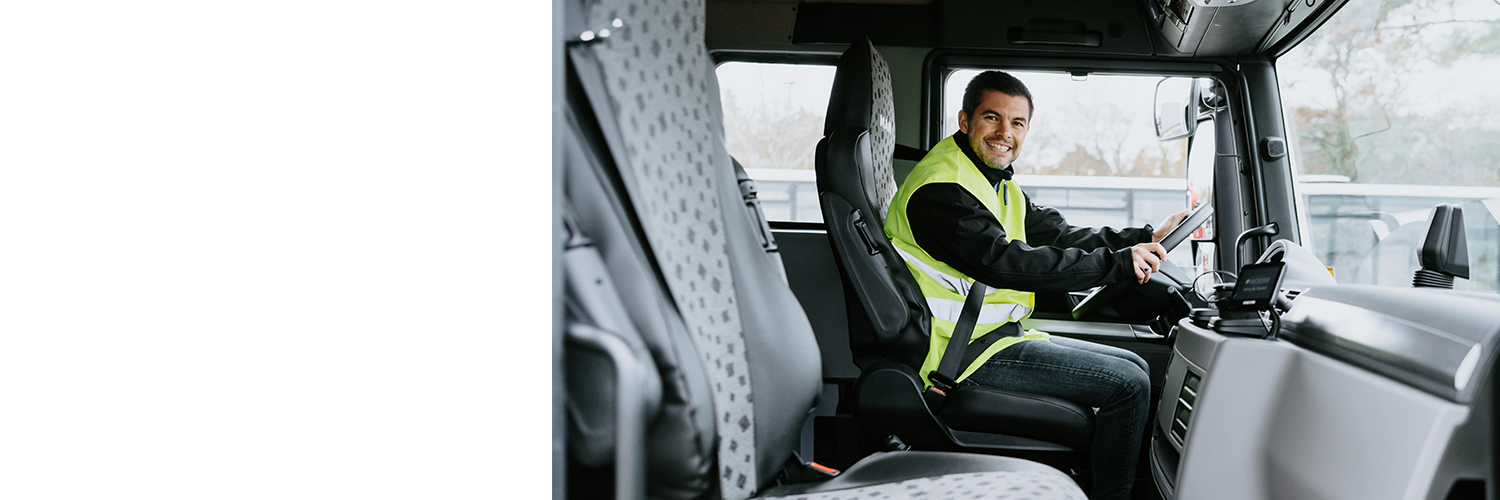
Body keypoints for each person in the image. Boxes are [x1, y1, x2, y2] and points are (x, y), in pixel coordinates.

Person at [883, 70, 1190, 500]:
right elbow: (1005, 264)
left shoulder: (992, 180)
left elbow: (1058, 234)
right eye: (992, 118)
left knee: (1139, 366)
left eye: (1018, 123)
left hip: (991, 337)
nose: (1005, 133)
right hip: (958, 355)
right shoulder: (943, 190)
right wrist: (1117, 265)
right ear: (965, 120)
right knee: (1129, 384)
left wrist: (1142, 239)